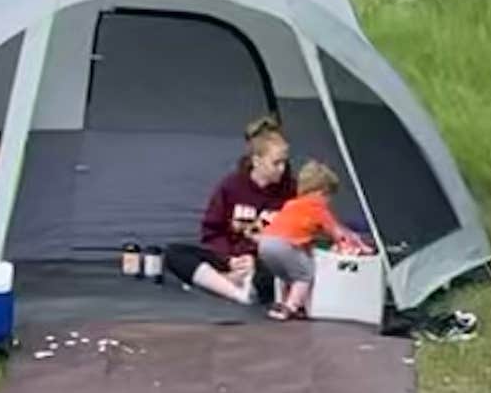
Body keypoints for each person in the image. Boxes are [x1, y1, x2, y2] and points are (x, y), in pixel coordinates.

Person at [121, 116, 291, 306]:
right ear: (257, 160)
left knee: (275, 269)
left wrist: (255, 258)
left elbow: (291, 238)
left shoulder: (291, 191)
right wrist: (229, 259)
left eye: (284, 162)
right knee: (175, 254)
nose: (282, 169)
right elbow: (212, 231)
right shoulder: (231, 186)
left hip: (263, 263)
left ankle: (221, 282)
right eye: (276, 163)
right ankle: (236, 290)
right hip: (230, 258)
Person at [255, 160, 366, 319]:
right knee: (304, 274)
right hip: (283, 245)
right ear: (322, 192)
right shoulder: (318, 207)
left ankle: (283, 301)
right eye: (329, 197)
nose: (329, 202)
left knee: (288, 274)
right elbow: (335, 231)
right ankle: (290, 307)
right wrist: (350, 245)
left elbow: (295, 228)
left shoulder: (291, 204)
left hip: (265, 244)